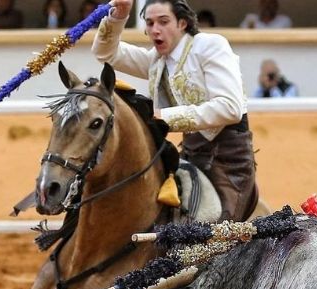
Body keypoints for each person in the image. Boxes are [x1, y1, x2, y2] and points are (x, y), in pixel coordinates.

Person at [92, 0, 258, 222]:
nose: (155, 29)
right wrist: (118, 17)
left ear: (182, 23)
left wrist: (164, 117)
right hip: (189, 156)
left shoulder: (209, 45)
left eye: (163, 21)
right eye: (149, 23)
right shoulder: (156, 60)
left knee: (214, 237)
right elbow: (106, 53)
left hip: (228, 159)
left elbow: (230, 108)